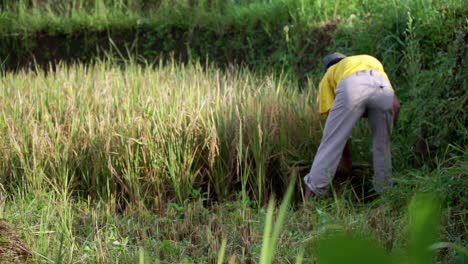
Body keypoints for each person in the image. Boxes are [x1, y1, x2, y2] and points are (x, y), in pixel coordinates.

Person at [303, 52, 400, 198]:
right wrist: (387, 131)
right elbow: (396, 105)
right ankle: (386, 198)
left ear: (328, 67)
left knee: (330, 144)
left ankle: (309, 201)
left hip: (352, 87)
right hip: (382, 87)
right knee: (382, 145)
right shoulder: (369, 61)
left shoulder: (330, 73)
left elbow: (336, 133)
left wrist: (346, 160)